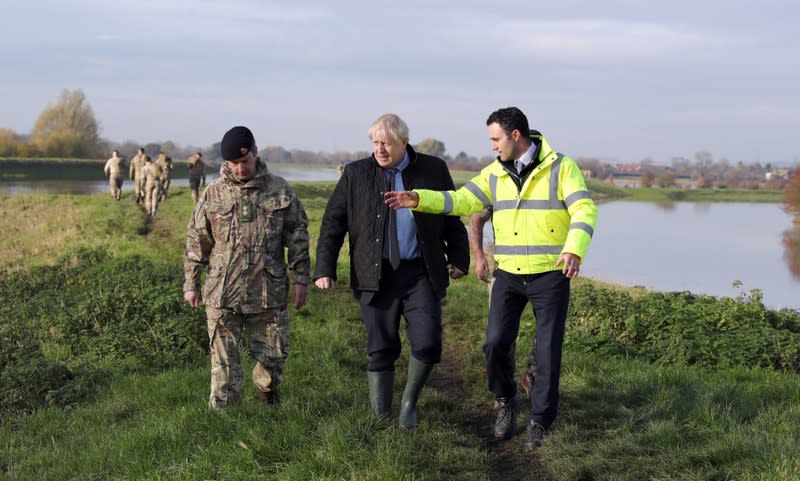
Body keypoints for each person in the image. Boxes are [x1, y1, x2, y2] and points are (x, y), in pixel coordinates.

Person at [384, 106, 597, 449]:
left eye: (495, 139)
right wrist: (419, 199)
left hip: (550, 275)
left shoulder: (562, 167)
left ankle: (540, 421)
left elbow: (584, 209)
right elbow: (462, 201)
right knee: (495, 342)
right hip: (509, 275)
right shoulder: (493, 174)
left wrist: (574, 249)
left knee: (547, 353)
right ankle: (506, 400)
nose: (492, 146)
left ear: (516, 136)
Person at [314, 113, 470, 429]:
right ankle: (380, 418)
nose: (380, 149)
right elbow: (333, 222)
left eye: (386, 143)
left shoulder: (433, 169)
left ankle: (409, 405)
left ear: (403, 142)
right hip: (375, 275)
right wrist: (324, 268)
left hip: (420, 273)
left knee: (427, 343)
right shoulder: (356, 174)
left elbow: (450, 213)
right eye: (375, 142)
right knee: (381, 348)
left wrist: (458, 257)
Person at [183, 126, 310, 409]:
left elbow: (298, 234)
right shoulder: (213, 194)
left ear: (255, 153)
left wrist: (302, 278)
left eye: (245, 162)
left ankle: (266, 388)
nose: (240, 169)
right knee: (223, 367)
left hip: (268, 291)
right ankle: (224, 427)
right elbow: (197, 239)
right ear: (225, 163)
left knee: (275, 357)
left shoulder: (279, 189)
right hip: (222, 292)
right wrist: (191, 283)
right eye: (234, 164)